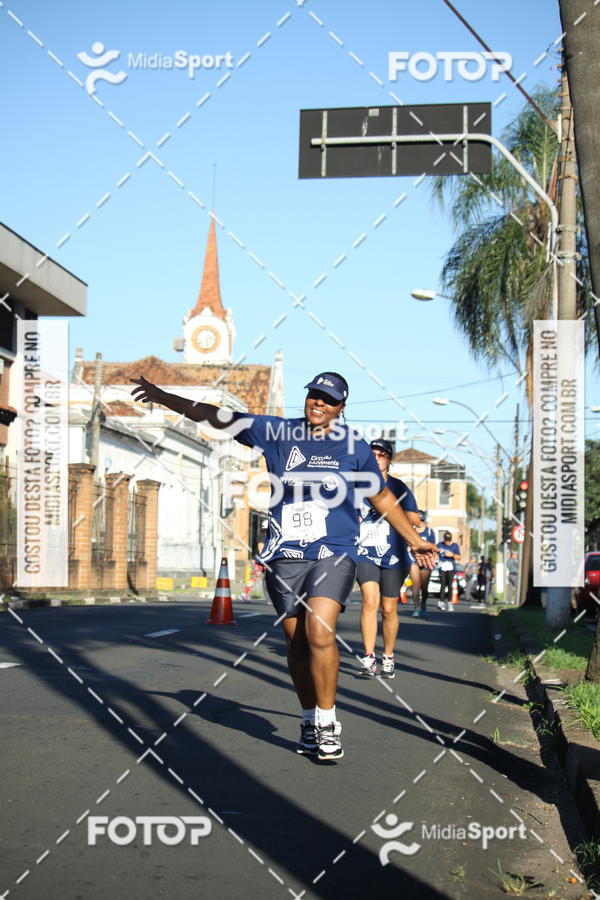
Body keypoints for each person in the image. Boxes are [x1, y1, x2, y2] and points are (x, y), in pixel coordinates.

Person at [131, 371, 437, 762]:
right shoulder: (276, 432)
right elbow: (216, 416)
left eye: (328, 400)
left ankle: (328, 721)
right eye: (313, 395)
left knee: (320, 632)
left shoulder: (354, 447)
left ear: (341, 409)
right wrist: (164, 396)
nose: (318, 403)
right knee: (297, 644)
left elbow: (380, 498)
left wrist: (414, 541)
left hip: (335, 551)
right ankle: (309, 717)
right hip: (284, 554)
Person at [356, 439, 420, 678]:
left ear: (389, 459)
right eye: (372, 454)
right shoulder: (356, 485)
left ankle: (389, 656)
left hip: (394, 555)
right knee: (369, 601)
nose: (376, 457)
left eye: (382, 454)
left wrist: (390, 510)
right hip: (364, 551)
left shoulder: (399, 486)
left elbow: (415, 519)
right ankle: (369, 656)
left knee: (388, 608)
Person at [409, 511, 436, 618]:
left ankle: (423, 605)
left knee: (424, 587)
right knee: (416, 585)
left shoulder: (429, 532)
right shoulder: (412, 531)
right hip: (414, 560)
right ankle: (416, 608)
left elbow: (433, 546)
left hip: (425, 561)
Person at [436, 531, 461, 611]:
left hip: (451, 566)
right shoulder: (440, 545)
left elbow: (459, 557)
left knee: (450, 585)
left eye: (449, 540)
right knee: (443, 584)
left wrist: (452, 555)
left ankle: (450, 602)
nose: (447, 542)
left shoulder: (455, 546)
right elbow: (435, 554)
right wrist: (437, 560)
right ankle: (442, 601)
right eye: (446, 540)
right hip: (442, 566)